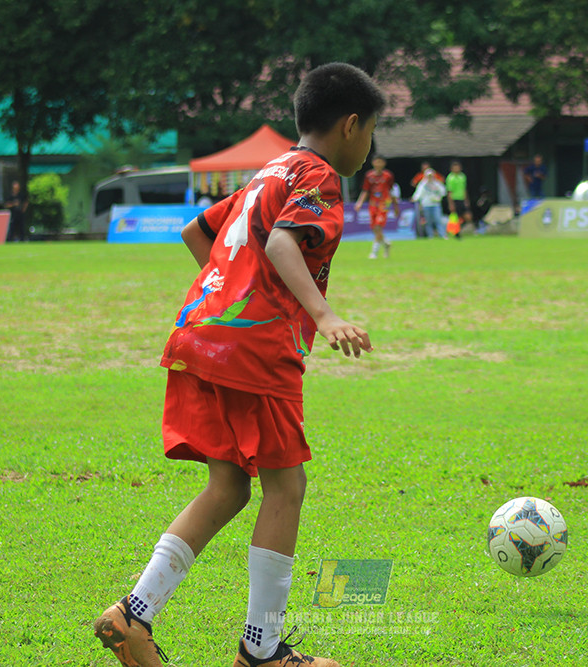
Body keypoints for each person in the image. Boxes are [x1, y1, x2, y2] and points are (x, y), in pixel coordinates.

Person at [92, 62, 384, 667]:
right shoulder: (320, 177)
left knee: (227, 487)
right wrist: (324, 315)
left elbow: (197, 231)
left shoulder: (269, 171)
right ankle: (263, 652)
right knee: (286, 487)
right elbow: (281, 242)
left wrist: (231, 293)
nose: (370, 146)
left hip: (200, 336)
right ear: (351, 125)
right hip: (253, 352)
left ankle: (132, 615)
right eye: (372, 131)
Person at [354, 155, 398, 258]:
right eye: (376, 162)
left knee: (378, 226)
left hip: (384, 202)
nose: (378, 164)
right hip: (373, 203)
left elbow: (391, 190)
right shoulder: (369, 176)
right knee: (374, 227)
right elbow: (365, 190)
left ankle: (374, 252)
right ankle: (386, 243)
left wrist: (396, 206)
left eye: (380, 162)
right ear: (373, 163)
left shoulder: (388, 176)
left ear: (384, 163)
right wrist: (359, 202)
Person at [411, 168, 447, 238]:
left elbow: (443, 191)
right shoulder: (423, 184)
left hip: (435, 204)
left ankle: (442, 235)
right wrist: (414, 198)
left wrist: (438, 197)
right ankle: (430, 236)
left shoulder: (437, 183)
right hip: (426, 205)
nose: (430, 177)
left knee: (438, 220)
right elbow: (418, 193)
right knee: (428, 222)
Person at [445, 160, 471, 238]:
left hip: (461, 199)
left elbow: (464, 189)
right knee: (455, 218)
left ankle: (456, 231)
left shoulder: (462, 176)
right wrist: (451, 204)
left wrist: (466, 200)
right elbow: (449, 192)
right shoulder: (450, 178)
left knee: (468, 217)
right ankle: (453, 232)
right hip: (454, 200)